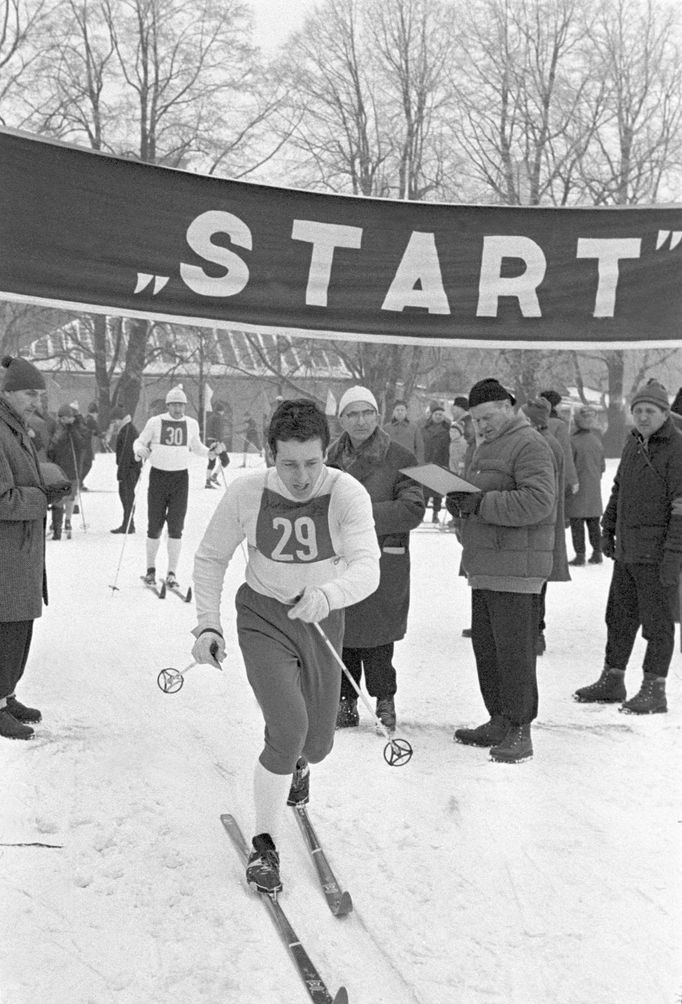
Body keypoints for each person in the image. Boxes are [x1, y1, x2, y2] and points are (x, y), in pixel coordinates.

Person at [190, 399, 380, 894]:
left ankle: (297, 763)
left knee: (316, 744)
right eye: (289, 464)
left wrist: (328, 595)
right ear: (269, 454)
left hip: (321, 616)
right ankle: (264, 845)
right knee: (288, 727)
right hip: (264, 615)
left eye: (312, 463)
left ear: (326, 453)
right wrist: (207, 626)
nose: (301, 477)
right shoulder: (247, 492)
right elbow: (211, 558)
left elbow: (368, 567)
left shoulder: (346, 493)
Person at [446, 378, 556, 763]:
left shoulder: (529, 444)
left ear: (510, 407)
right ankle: (499, 719)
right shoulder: (488, 446)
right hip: (486, 564)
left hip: (517, 570)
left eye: (488, 417)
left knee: (514, 653)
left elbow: (539, 502)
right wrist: (461, 504)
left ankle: (521, 729)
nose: (483, 426)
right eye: (476, 420)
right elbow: (483, 498)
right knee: (488, 650)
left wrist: (480, 503)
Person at [573, 380, 682, 714]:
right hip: (628, 551)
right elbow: (619, 488)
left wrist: (673, 555)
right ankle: (612, 679)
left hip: (658, 553)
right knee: (618, 617)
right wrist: (607, 526)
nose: (643, 417)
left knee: (658, 624)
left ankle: (654, 689)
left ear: (665, 413)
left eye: (650, 411)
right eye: (638, 411)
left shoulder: (678, 448)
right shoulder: (633, 443)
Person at [327, 386, 425, 731]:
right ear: (341, 419)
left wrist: (359, 514)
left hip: (385, 557)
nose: (360, 420)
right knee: (343, 631)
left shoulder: (401, 458)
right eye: (351, 414)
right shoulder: (329, 459)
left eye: (366, 412)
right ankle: (345, 700)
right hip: (342, 559)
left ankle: (385, 699)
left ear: (378, 416)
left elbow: (412, 508)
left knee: (380, 635)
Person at [0, 356, 57, 739]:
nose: (35, 401)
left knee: (20, 626)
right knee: (5, 627)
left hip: (22, 549)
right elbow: (3, 497)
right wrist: (42, 496)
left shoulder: (16, 427)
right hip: (6, 551)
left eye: (39, 394)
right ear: (7, 392)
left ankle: (7, 694)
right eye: (29, 393)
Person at [133, 386, 225, 588]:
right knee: (154, 525)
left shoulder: (191, 424)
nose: (178, 409)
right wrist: (140, 450)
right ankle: (150, 569)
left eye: (181, 405)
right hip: (158, 477)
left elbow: (197, 447)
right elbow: (139, 441)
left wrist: (210, 452)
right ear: (168, 405)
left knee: (176, 527)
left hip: (180, 480)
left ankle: (172, 572)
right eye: (174, 405)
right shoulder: (155, 422)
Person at [521, 396, 570, 655]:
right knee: (538, 583)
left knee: (535, 583)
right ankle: (535, 631)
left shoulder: (541, 444)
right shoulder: (551, 442)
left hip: (537, 524)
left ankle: (535, 632)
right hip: (544, 525)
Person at [566, 406, 606, 565]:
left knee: (577, 525)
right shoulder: (597, 441)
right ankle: (597, 553)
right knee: (594, 525)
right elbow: (602, 466)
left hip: (577, 489)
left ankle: (580, 555)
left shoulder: (572, 442)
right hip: (594, 489)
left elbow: (569, 467)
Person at [46, 404, 86, 540]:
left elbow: (81, 444)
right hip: (61, 468)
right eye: (66, 418)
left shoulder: (75, 429)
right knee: (61, 497)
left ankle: (67, 521)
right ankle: (59, 523)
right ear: (61, 418)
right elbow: (53, 447)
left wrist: (72, 431)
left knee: (69, 496)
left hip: (70, 468)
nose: (69, 420)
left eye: (70, 418)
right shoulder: (57, 429)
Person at [540, 389, 579, 497]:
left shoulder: (533, 422)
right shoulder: (559, 425)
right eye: (560, 404)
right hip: (553, 475)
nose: (562, 407)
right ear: (555, 406)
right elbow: (565, 454)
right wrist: (573, 479)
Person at [109, 405, 142, 534]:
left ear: (120, 419)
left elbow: (125, 455)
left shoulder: (128, 431)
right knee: (126, 496)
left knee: (127, 496)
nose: (114, 424)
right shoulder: (127, 429)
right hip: (130, 469)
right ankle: (128, 523)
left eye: (115, 421)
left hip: (129, 470)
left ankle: (128, 524)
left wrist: (121, 473)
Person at [416, 401, 451, 522]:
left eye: (441, 414)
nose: (438, 416)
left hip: (441, 462)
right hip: (427, 461)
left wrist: (447, 464)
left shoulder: (448, 429)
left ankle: (435, 515)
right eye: (436, 414)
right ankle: (422, 514)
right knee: (424, 491)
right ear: (432, 415)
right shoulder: (424, 428)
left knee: (438, 492)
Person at [205, 402, 231, 488]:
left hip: (209, 441)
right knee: (226, 460)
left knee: (211, 462)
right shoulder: (219, 418)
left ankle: (208, 481)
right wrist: (220, 440)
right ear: (221, 411)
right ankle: (214, 476)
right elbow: (219, 431)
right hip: (216, 442)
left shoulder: (210, 417)